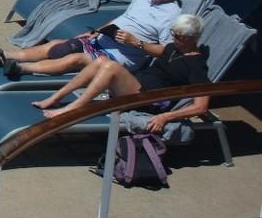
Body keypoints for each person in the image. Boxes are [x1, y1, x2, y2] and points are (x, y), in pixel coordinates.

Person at [0, 0, 181, 78]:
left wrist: (135, 42)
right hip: (104, 40)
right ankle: (4, 55)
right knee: (61, 46)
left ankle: (20, 68)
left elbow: (168, 52)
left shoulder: (172, 16)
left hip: (122, 57)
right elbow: (123, 19)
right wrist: (97, 32)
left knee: (76, 59)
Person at [32, 13, 212, 132]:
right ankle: (56, 98)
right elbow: (152, 49)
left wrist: (165, 117)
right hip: (137, 86)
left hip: (149, 101)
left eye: (179, 36)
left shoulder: (197, 66)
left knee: (110, 67)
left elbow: (201, 107)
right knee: (101, 61)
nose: (174, 38)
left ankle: (71, 109)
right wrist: (135, 42)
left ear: (192, 38)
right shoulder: (173, 48)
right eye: (173, 34)